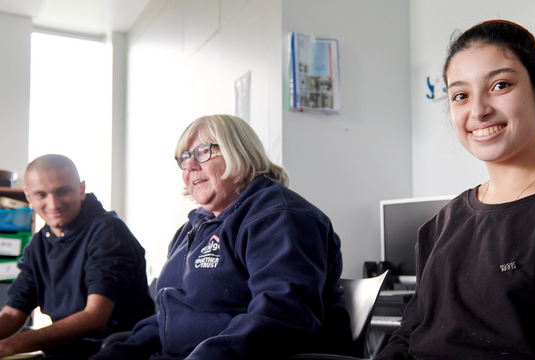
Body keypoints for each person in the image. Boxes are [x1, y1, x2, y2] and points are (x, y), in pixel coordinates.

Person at [375, 20, 535, 360]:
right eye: (461, 95)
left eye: (500, 85)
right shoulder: (440, 225)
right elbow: (407, 338)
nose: (478, 110)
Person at [93, 114, 351, 360]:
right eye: (184, 157)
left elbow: (281, 315)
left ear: (241, 153)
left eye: (203, 152)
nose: (191, 165)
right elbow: (167, 320)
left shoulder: (279, 217)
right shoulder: (192, 229)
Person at [0, 154, 155, 359]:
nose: (53, 204)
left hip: (113, 349)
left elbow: (94, 316)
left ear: (81, 189)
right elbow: (13, 312)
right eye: (41, 194)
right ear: (29, 197)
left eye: (62, 191)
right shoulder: (39, 243)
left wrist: (10, 346)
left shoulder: (108, 232)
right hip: (66, 349)